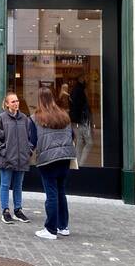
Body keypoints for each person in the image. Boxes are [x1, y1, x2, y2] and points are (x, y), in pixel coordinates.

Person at [29, 87, 76, 240]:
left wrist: (25, 156)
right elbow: (72, 136)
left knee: (52, 194)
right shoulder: (64, 115)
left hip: (48, 160)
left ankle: (50, 229)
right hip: (65, 158)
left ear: (39, 100)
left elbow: (32, 141)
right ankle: (63, 226)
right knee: (61, 192)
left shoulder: (36, 118)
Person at [0, 92, 32, 224]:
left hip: (21, 158)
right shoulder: (1, 119)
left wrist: (28, 151)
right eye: (13, 101)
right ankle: (5, 211)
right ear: (7, 104)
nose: (16, 103)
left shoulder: (24, 119)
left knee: (18, 185)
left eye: (17, 101)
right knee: (5, 184)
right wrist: (4, 152)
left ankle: (18, 210)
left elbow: (30, 137)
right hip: (7, 159)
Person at [69, 76, 92, 165]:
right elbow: (78, 107)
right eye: (85, 79)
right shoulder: (79, 91)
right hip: (80, 121)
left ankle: (78, 163)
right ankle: (80, 163)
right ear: (81, 80)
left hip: (77, 120)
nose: (87, 80)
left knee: (79, 141)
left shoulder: (77, 90)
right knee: (87, 142)